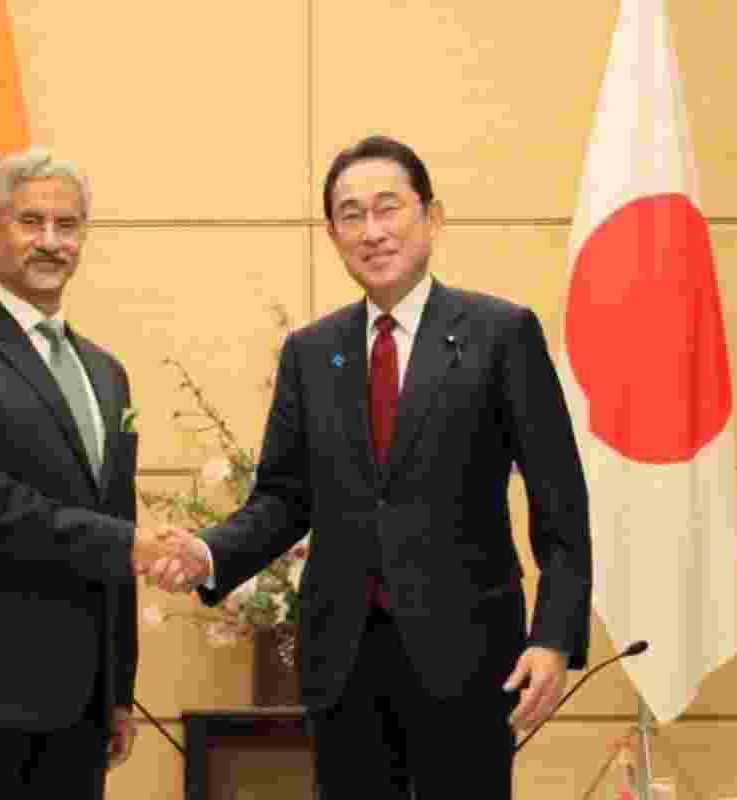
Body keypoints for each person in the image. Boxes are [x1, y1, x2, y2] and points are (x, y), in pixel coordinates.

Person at [148, 135, 593, 798]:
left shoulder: (500, 334)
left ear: (432, 217)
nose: (372, 231)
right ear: (333, 236)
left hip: (468, 657)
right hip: (345, 662)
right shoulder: (311, 352)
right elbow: (284, 498)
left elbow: (561, 503)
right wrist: (209, 553)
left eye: (389, 208)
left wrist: (553, 637)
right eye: (351, 215)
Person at [0, 146, 192, 798]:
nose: (50, 241)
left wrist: (118, 690)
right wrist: (128, 543)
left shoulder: (107, 374)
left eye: (67, 225)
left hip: (78, 707)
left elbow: (116, 520)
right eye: (31, 222)